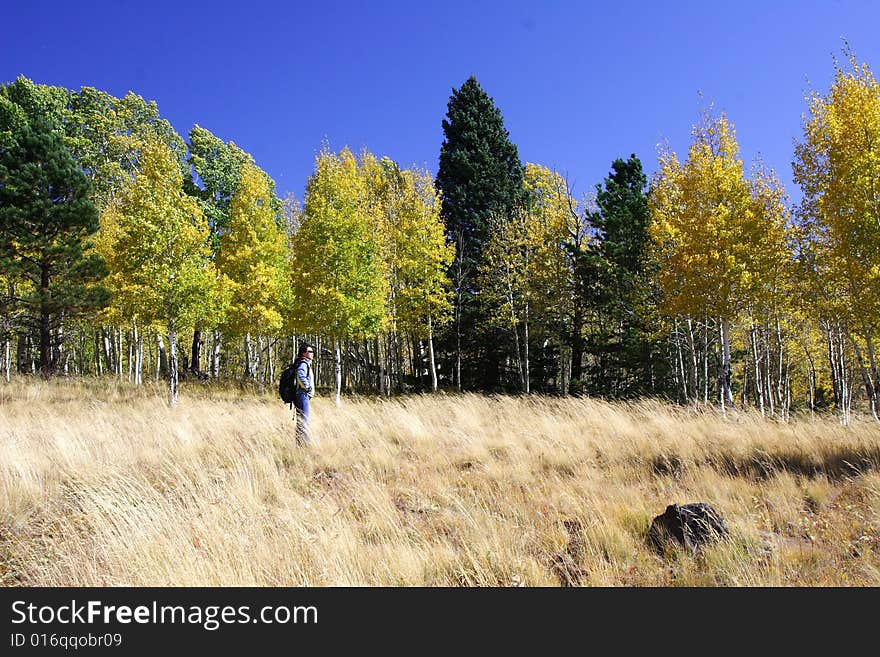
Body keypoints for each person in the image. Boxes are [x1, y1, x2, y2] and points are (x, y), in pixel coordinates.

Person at [293, 343, 315, 446]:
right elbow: (301, 376)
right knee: (303, 421)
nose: (312, 353)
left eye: (312, 351)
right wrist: (308, 388)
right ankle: (303, 445)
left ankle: (300, 444)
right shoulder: (303, 364)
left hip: (302, 395)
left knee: (301, 420)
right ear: (303, 353)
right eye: (309, 351)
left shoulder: (304, 363)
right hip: (303, 395)